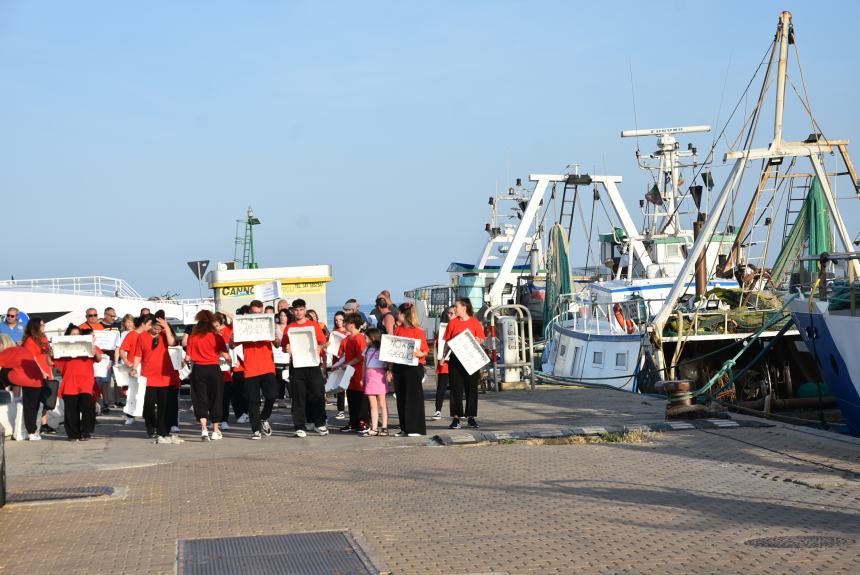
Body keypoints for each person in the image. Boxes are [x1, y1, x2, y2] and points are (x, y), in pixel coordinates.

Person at [281, 298, 328, 437]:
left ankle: (319, 424)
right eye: (296, 310)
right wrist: (286, 348)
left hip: (313, 365)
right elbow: (284, 347)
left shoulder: (314, 326)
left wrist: (320, 347)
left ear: (305, 310)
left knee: (318, 395)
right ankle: (299, 426)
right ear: (292, 311)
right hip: (296, 366)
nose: (299, 312)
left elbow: (324, 343)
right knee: (298, 397)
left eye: (301, 309)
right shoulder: (289, 327)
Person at [131, 315, 180, 443]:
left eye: (160, 328)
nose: (158, 330)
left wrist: (166, 327)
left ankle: (162, 430)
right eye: (156, 328)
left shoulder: (164, 335)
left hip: (164, 375)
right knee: (148, 404)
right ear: (150, 325)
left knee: (164, 405)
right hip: (148, 376)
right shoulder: (142, 336)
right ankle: (150, 426)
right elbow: (138, 354)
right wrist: (134, 368)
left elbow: (172, 343)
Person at [186, 310, 232, 441]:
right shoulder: (217, 337)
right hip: (214, 369)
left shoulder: (193, 337)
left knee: (200, 399)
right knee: (216, 398)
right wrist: (230, 362)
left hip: (198, 369)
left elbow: (188, 358)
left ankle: (204, 430)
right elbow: (226, 355)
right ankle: (215, 430)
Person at [442, 298, 486, 429]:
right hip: (455, 360)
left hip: (471, 359)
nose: (454, 309)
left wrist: (478, 340)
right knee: (456, 389)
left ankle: (471, 417)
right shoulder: (452, 323)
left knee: (471, 388)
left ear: (464, 307)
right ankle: (456, 418)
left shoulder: (474, 322)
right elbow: (447, 341)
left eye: (456, 307)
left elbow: (482, 339)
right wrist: (443, 356)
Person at [240, 300, 280, 440]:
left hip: (267, 367)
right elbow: (233, 345)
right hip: (250, 368)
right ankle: (255, 430)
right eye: (254, 312)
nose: (257, 315)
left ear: (262, 312)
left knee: (272, 395)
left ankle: (264, 418)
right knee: (253, 401)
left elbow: (277, 344)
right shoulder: (243, 324)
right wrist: (233, 339)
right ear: (250, 312)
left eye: (259, 312)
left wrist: (275, 338)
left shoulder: (268, 323)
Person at [55, 324, 102, 441]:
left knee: (88, 407)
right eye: (72, 334)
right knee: (71, 410)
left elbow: (99, 358)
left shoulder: (89, 345)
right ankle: (73, 434)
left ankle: (86, 432)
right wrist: (51, 352)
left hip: (86, 381)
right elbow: (51, 362)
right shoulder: (62, 346)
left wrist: (94, 350)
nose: (75, 336)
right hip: (70, 381)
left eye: (77, 334)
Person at [389, 303, 429, 436]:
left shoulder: (418, 331)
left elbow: (425, 351)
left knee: (414, 398)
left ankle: (416, 428)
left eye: (399, 313)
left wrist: (419, 354)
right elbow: (394, 350)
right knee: (401, 397)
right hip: (399, 366)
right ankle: (404, 427)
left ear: (404, 315)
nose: (396, 315)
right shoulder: (398, 329)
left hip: (413, 367)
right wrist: (390, 369)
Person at [0, 329, 45, 440]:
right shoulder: (22, 350)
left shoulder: (5, 352)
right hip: (37, 380)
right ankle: (33, 431)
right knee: (33, 407)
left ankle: (31, 432)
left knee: (29, 407)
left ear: (2, 343)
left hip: (23, 379)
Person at [21, 317, 58, 435]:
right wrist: (41, 371)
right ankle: (36, 426)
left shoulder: (44, 338)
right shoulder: (30, 341)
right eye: (42, 325)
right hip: (36, 374)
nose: (44, 327)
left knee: (47, 400)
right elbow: (33, 358)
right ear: (35, 326)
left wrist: (51, 365)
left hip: (47, 371)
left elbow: (46, 356)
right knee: (37, 401)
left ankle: (44, 424)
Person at [332, 313, 368, 434]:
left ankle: (363, 422)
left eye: (346, 323)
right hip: (350, 375)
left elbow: (361, 356)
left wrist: (347, 364)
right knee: (352, 398)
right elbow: (345, 356)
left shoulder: (359, 338)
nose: (344, 324)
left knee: (360, 399)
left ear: (352, 325)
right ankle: (353, 422)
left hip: (358, 373)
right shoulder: (348, 339)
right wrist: (337, 366)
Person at [119, 314, 149, 425]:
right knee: (132, 391)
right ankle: (130, 415)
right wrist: (126, 361)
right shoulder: (131, 335)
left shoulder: (149, 335)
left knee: (146, 392)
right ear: (143, 324)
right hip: (134, 367)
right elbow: (122, 349)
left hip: (146, 367)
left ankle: (146, 414)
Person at [361, 328, 388, 436]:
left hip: (379, 375)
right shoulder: (367, 349)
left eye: (366, 338)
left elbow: (387, 362)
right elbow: (364, 363)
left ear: (372, 338)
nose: (365, 340)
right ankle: (375, 428)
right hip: (369, 376)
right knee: (373, 405)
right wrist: (362, 377)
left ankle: (384, 427)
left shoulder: (382, 348)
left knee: (382, 404)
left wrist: (388, 371)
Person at [432, 306, 456, 420]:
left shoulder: (458, 327)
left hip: (456, 362)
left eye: (452, 313)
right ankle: (438, 410)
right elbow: (437, 343)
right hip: (444, 362)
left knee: (456, 388)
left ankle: (455, 412)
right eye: (448, 313)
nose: (449, 315)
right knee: (441, 387)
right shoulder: (442, 329)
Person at [330, 311, 348, 419]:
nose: (338, 322)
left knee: (350, 386)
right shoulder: (333, 332)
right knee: (340, 387)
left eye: (340, 319)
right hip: (337, 359)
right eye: (336, 320)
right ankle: (340, 410)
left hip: (348, 361)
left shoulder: (349, 332)